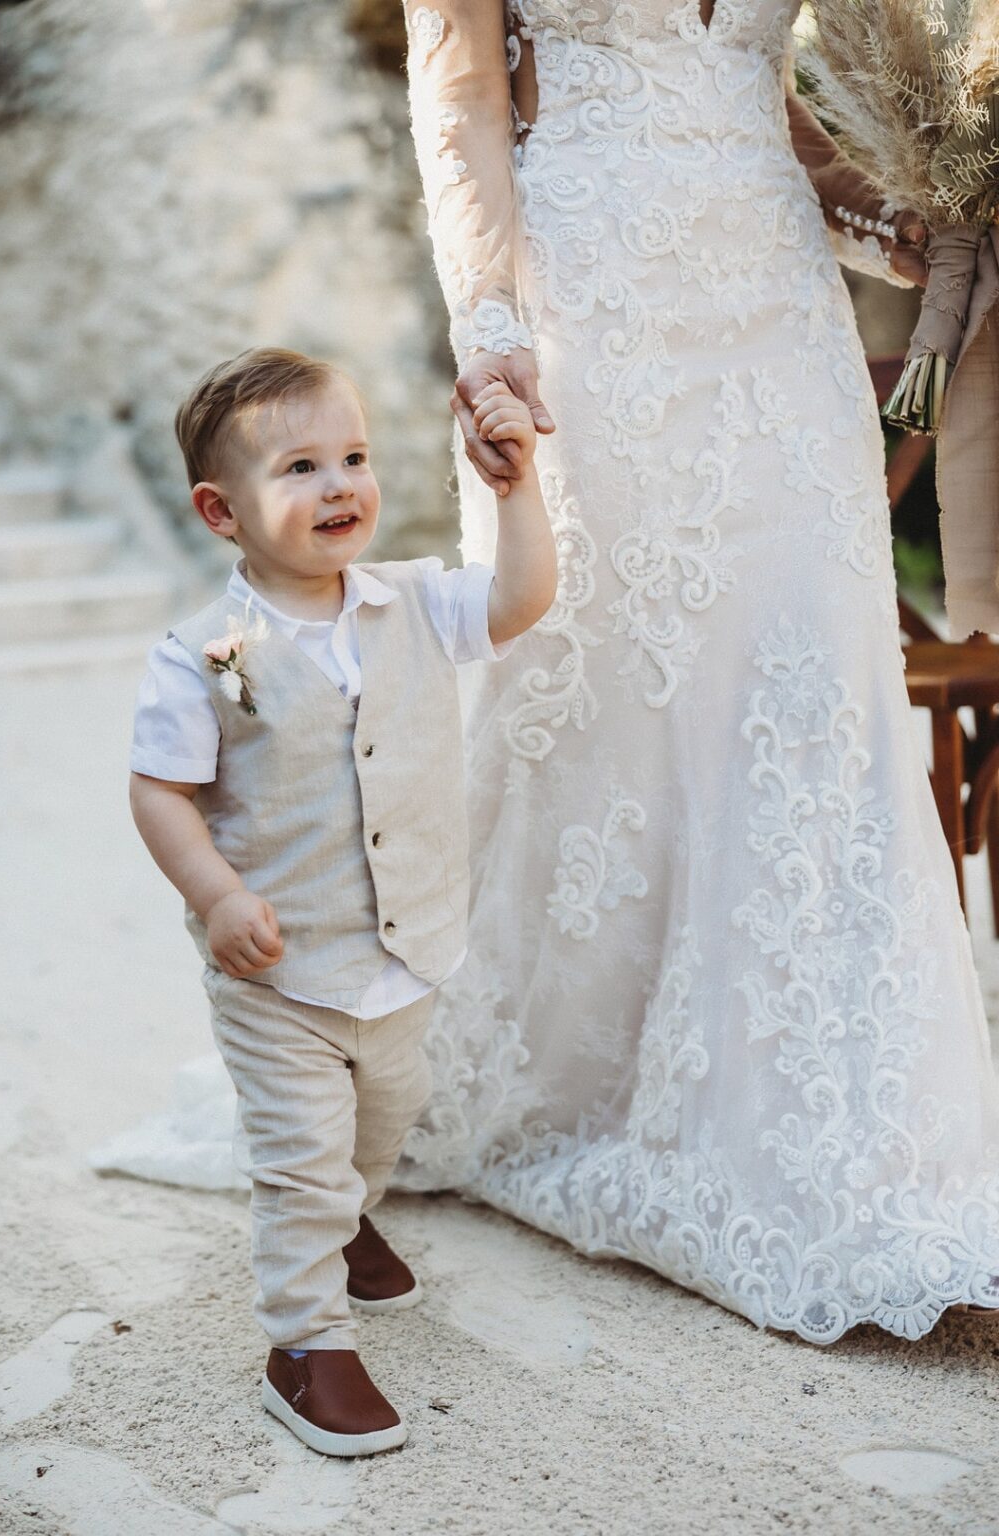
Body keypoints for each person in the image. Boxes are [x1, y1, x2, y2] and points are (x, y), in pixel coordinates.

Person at [397, 0, 999, 1341]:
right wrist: (490, 329)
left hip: (778, 322)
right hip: (591, 318)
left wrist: (894, 212)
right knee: (608, 710)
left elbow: (752, 104)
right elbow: (465, 105)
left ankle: (850, 1151)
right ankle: (584, 1088)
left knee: (814, 697)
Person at [128, 347, 557, 1455]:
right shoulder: (202, 657)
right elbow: (160, 792)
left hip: (404, 953)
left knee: (382, 1126)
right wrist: (216, 894)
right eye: (302, 467)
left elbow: (522, 598)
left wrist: (516, 495)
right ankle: (305, 1343)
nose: (340, 486)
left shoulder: (413, 599)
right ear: (221, 511)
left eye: (353, 457)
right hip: (278, 970)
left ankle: (353, 1214)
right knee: (303, 1158)